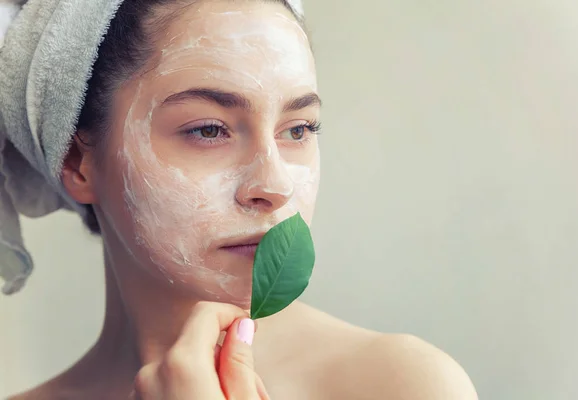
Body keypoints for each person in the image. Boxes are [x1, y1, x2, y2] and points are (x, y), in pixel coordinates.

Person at [2, 0, 478, 398]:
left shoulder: (400, 384)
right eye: (209, 130)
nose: (274, 185)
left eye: (298, 129)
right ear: (77, 164)